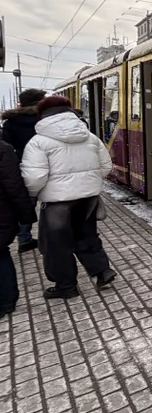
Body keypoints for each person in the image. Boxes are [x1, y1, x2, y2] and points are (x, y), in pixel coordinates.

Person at [20, 95, 116, 299]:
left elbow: (34, 177)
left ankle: (66, 286)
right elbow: (106, 166)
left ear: (42, 114)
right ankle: (102, 271)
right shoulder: (89, 136)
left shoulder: (38, 141)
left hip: (57, 202)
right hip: (88, 197)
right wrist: (90, 183)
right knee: (87, 235)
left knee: (57, 244)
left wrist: (33, 194)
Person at [1, 88, 45, 252]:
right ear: (38, 102)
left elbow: (7, 147)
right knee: (54, 201)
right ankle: (57, 235)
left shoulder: (10, 122)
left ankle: (24, 238)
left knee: (27, 202)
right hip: (47, 165)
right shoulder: (43, 119)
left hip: (23, 167)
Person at [0, 139, 37, 317]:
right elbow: (14, 186)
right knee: (1, 255)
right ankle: (7, 302)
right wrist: (26, 217)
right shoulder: (3, 149)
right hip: (2, 213)